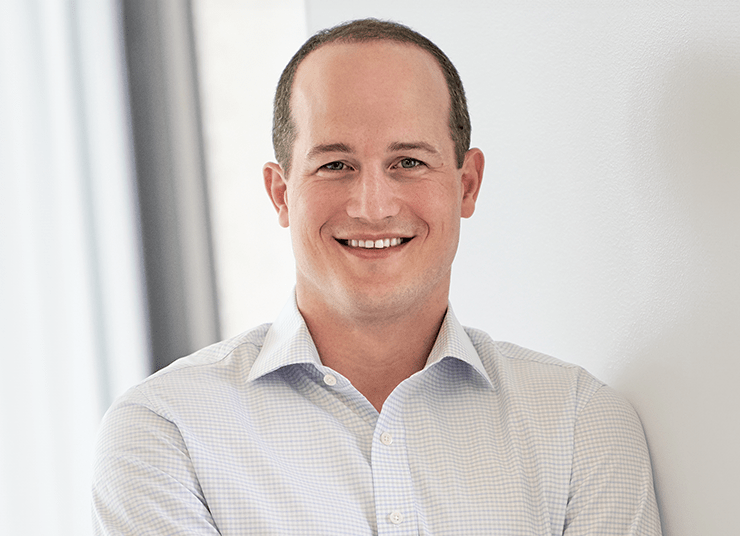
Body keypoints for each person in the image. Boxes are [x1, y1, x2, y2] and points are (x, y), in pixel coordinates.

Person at [92, 18, 661, 535]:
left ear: (466, 185)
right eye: (335, 164)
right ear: (280, 192)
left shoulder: (580, 426)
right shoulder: (166, 434)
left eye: (408, 162)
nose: (372, 205)